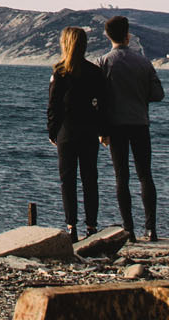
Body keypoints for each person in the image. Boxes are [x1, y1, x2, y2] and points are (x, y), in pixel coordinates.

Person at [99, 14, 164, 240]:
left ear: (108, 36)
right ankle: (151, 228)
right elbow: (158, 94)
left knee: (121, 178)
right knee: (145, 175)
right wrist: (140, 95)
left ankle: (129, 229)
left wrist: (101, 130)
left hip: (116, 125)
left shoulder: (104, 62)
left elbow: (98, 99)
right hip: (139, 123)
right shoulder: (144, 62)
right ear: (128, 36)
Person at [44, 26, 110, 237]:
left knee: (68, 180)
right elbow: (102, 104)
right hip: (89, 130)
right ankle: (91, 225)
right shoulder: (94, 72)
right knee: (90, 179)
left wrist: (52, 132)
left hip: (67, 131)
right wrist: (103, 130)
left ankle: (71, 226)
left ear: (65, 44)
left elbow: (53, 106)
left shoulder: (60, 72)